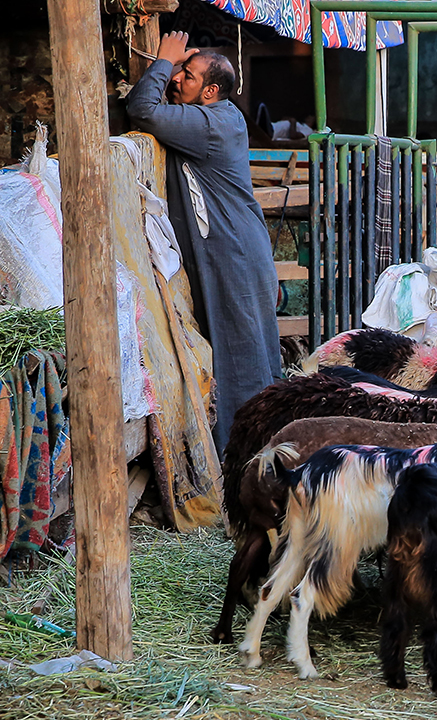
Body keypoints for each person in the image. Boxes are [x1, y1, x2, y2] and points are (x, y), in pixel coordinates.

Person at [127, 31, 281, 457]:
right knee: (242, 350)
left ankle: (248, 456)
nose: (178, 80)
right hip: (230, 252)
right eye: (179, 73)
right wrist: (173, 67)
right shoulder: (209, 116)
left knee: (241, 357)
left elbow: (141, 109)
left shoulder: (213, 123)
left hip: (234, 255)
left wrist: (162, 60)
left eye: (188, 76)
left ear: (211, 91)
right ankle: (256, 450)